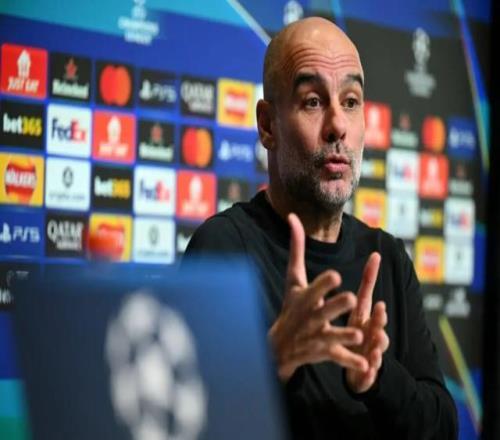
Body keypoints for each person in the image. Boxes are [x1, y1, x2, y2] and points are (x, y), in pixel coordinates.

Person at [184, 17, 458, 439]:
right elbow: (185, 422)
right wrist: (273, 361)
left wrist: (378, 378)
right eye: (312, 102)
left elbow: (443, 428)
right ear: (268, 125)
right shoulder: (223, 247)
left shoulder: (386, 259)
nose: (338, 126)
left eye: (350, 101)